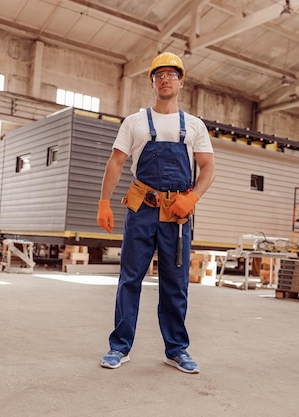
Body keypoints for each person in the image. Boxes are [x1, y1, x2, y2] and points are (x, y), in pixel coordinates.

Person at [96, 52, 216, 374]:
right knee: (130, 278)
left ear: (181, 81)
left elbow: (207, 167)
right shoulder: (134, 122)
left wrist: (192, 198)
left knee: (175, 284)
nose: (165, 79)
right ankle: (119, 347)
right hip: (142, 210)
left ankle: (176, 349)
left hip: (176, 214)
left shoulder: (194, 126)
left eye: (171, 74)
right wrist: (104, 202)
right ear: (152, 82)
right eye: (159, 74)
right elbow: (117, 162)